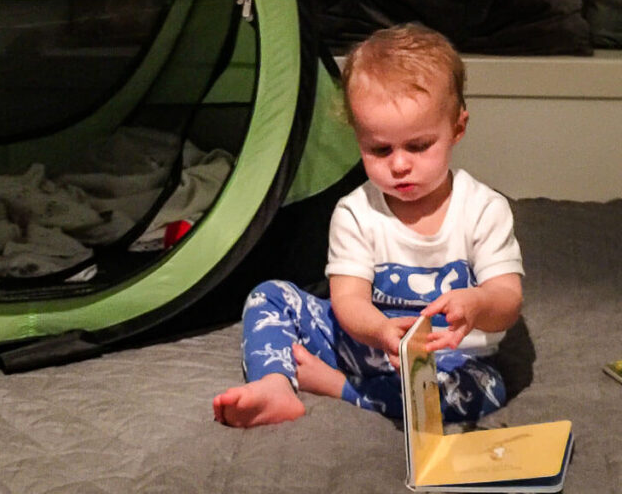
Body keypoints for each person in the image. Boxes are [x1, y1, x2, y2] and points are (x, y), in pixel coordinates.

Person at [212, 23, 524, 428]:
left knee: (482, 390)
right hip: (366, 341)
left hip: (449, 357)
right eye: (379, 149)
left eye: (418, 146)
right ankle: (274, 383)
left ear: (457, 129)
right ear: (358, 139)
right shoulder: (355, 211)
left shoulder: (484, 208)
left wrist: (478, 304)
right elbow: (348, 301)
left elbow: (507, 299)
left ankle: (340, 386)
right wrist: (377, 330)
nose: (398, 164)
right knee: (269, 297)